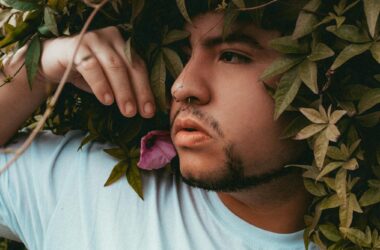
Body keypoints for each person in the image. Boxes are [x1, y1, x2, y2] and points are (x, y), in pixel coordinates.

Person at [0, 1, 317, 249]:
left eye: (232, 56)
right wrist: (35, 70)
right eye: (182, 55)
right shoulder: (85, 183)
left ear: (323, 79)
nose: (181, 86)